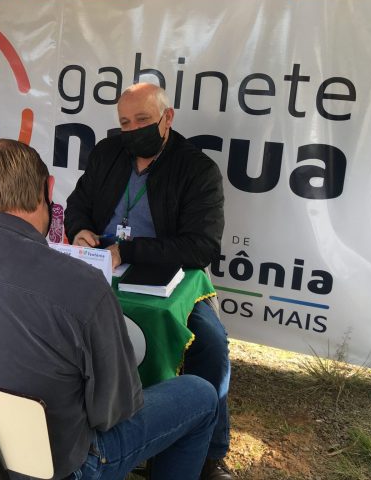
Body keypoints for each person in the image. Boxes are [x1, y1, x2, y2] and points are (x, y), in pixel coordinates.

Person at [0, 138, 219, 479]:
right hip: (55, 469)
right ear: (48, 189)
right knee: (201, 395)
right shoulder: (83, 284)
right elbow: (113, 412)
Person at [65, 83, 232, 480]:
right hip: (102, 264)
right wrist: (80, 230)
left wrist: (130, 251)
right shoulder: (107, 153)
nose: (133, 130)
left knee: (211, 343)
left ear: (167, 118)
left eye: (142, 120)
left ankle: (210, 453)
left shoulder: (197, 169)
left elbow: (201, 247)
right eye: (125, 122)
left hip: (169, 275)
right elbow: (77, 205)